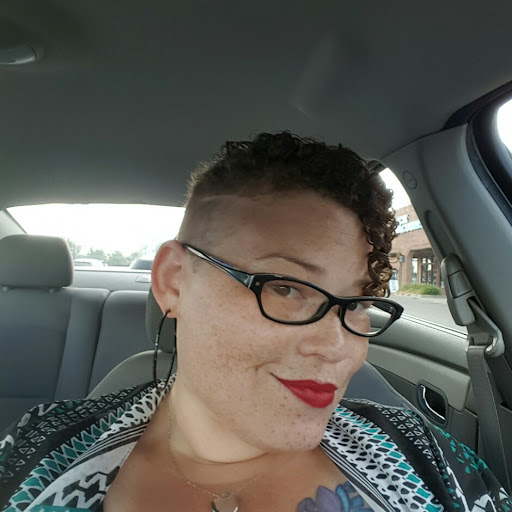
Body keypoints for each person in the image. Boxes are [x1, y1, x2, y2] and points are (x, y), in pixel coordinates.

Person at [0, 132, 510, 512]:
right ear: (174, 282)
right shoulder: (37, 451)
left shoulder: (416, 451)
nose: (338, 347)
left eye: (355, 303)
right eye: (286, 287)